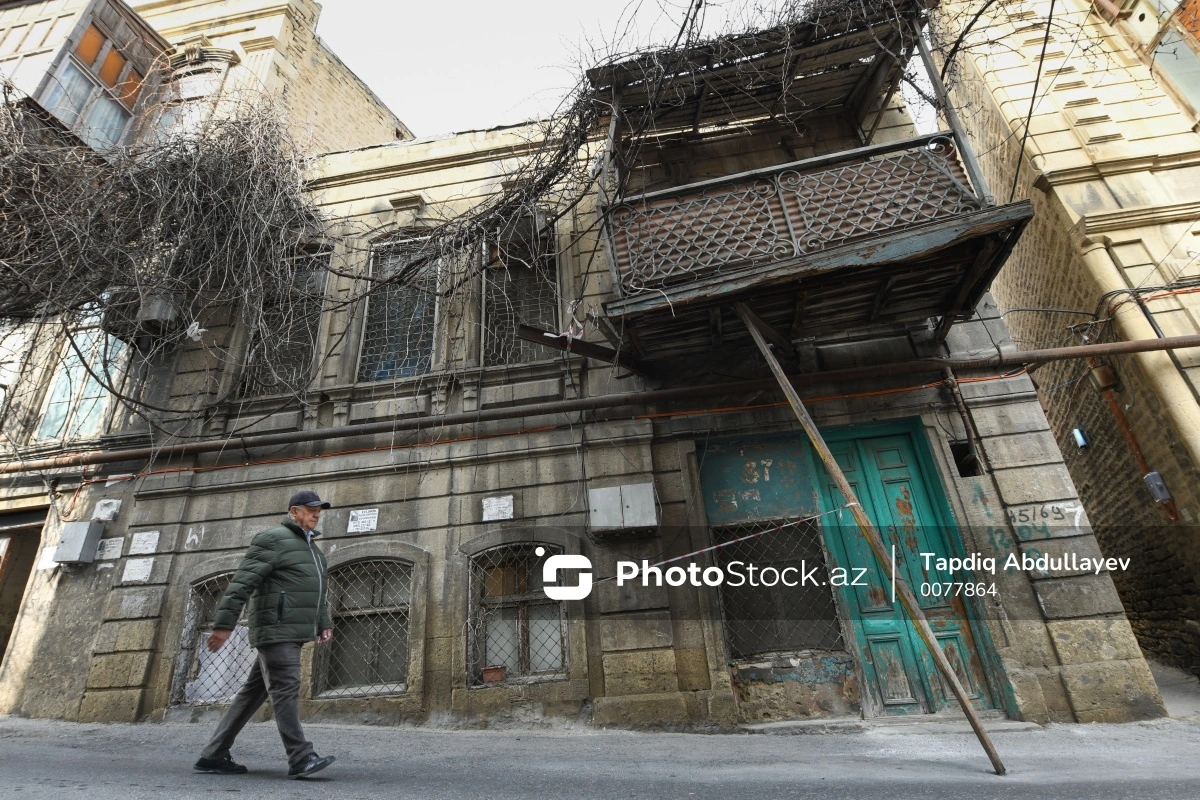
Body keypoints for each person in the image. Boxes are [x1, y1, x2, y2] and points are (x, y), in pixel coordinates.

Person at [193, 490, 336, 779]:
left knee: (251, 694)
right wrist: (224, 625)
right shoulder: (272, 539)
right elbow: (242, 583)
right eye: (310, 509)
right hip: (275, 629)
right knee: (286, 687)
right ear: (293, 511)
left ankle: (213, 755)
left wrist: (323, 622)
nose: (316, 513)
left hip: (292, 630)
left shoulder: (312, 549)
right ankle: (300, 756)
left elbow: (317, 592)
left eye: (319, 509)